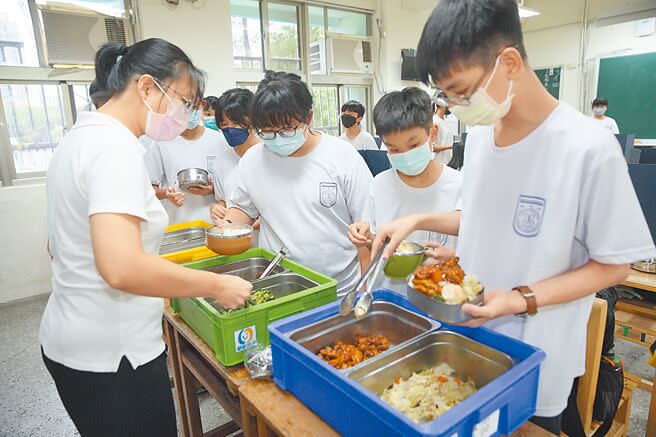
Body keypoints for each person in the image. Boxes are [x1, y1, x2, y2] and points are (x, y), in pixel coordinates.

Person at [373, 0, 655, 434]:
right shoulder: (483, 138)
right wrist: (418, 223)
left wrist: (522, 298)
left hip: (535, 350)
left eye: (461, 91)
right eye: (446, 95)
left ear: (507, 63)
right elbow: (480, 217)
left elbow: (613, 263)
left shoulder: (586, 147)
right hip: (469, 337)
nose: (456, 105)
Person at [41, 39, 251, 437]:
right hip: (113, 355)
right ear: (147, 87)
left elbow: (55, 246)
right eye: (185, 101)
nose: (187, 114)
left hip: (73, 338)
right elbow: (121, 267)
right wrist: (216, 284)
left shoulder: (80, 137)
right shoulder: (114, 148)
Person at [223, 71, 373, 294]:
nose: (276, 138)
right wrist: (225, 228)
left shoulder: (343, 156)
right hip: (279, 286)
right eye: (267, 132)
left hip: (339, 290)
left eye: (286, 130)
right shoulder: (253, 159)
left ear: (309, 117)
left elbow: (367, 229)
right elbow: (242, 209)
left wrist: (365, 291)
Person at [348, 87, 462, 294]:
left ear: (432, 133)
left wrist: (454, 254)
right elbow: (375, 246)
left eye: (413, 145)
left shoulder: (459, 184)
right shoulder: (380, 184)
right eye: (394, 149)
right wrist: (363, 239)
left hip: (439, 300)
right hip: (390, 297)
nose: (405, 155)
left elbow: (475, 243)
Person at [145, 98, 231, 225]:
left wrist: (213, 190)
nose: (188, 112)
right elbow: (149, 189)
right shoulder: (161, 142)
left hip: (215, 225)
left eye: (192, 107)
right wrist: (167, 194)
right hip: (178, 225)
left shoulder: (220, 141)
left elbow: (233, 188)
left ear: (202, 104)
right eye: (182, 108)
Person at [209, 88, 260, 224]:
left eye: (237, 123)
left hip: (264, 241)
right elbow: (223, 200)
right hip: (235, 238)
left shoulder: (269, 156)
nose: (230, 129)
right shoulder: (221, 162)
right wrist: (217, 208)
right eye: (224, 124)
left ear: (253, 120)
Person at [431, 93, 454, 164]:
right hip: (438, 162)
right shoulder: (434, 121)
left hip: (447, 162)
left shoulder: (446, 121)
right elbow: (432, 147)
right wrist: (451, 146)